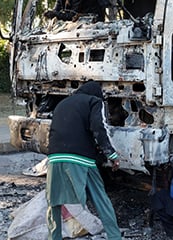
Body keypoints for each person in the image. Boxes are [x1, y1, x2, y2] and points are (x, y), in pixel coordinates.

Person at [46, 81, 122, 240]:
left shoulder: (62, 103)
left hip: (54, 156)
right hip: (82, 158)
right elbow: (98, 129)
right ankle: (115, 236)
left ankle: (54, 237)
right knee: (101, 198)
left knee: (54, 202)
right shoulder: (94, 101)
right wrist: (112, 155)